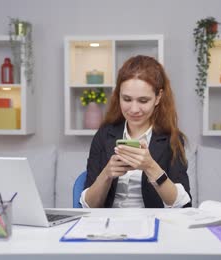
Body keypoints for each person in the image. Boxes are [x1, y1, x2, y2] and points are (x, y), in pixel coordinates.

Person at [79, 55, 191, 208]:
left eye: (143, 101)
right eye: (126, 99)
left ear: (158, 97)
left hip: (154, 223)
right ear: (118, 95)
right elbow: (89, 206)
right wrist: (107, 174)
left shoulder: (172, 139)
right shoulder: (104, 135)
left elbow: (182, 204)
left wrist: (151, 166)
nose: (134, 109)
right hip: (109, 226)